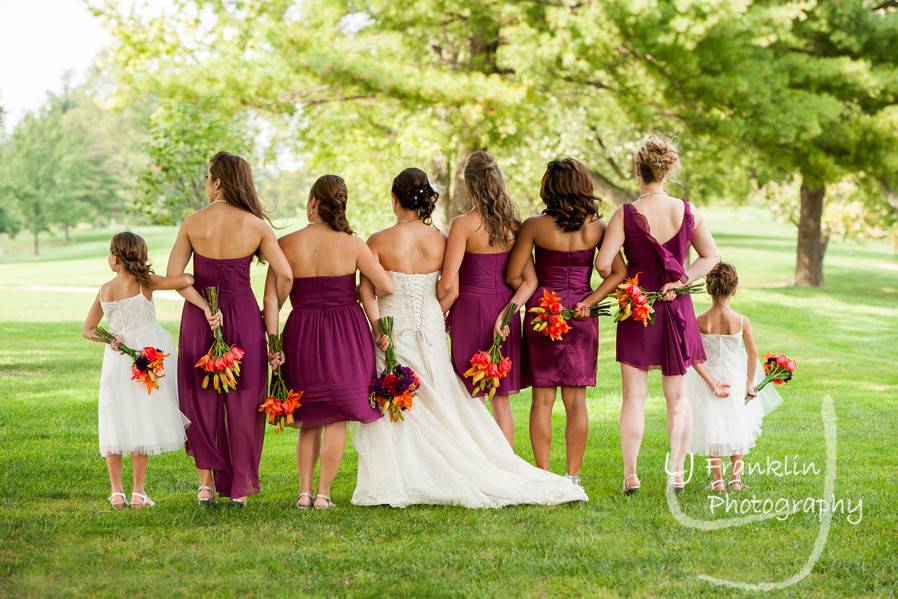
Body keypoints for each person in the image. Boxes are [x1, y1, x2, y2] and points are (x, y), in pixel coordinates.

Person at [352, 167, 587, 508]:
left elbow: (369, 289)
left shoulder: (378, 240)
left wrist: (379, 325)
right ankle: (495, 462)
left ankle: (405, 473)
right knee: (448, 396)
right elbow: (449, 288)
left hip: (396, 325)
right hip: (435, 322)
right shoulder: (442, 238)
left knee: (406, 395)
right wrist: (437, 312)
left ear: (394, 199)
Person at [595, 135, 719, 495]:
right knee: (677, 397)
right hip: (676, 307)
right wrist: (682, 279)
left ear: (637, 170)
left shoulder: (624, 214)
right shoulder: (687, 210)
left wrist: (626, 281)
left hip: (639, 309)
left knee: (633, 396)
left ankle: (631, 475)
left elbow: (604, 263)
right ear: (670, 170)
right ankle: (676, 472)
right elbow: (711, 257)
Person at [167, 151, 293, 506]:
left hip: (199, 317)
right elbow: (285, 274)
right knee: (245, 397)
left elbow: (178, 279)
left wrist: (205, 305)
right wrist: (274, 308)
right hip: (243, 314)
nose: (206, 184)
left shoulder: (192, 223)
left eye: (208, 177)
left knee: (200, 394)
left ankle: (206, 483)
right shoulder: (256, 226)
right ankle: (239, 486)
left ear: (218, 182)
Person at [264, 175, 394, 509]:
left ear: (312, 203)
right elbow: (385, 285)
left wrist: (274, 344)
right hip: (346, 333)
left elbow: (271, 302)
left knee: (310, 414)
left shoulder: (286, 243)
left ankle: (303, 493)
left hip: (302, 331)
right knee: (336, 416)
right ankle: (323, 494)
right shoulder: (352, 243)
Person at [507, 158, 627, 486]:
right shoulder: (596, 229)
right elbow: (619, 273)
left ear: (550, 187)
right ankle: (572, 477)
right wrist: (589, 301)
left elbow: (513, 274)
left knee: (542, 400)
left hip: (543, 315)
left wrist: (536, 278)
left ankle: (543, 475)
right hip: (582, 317)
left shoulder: (533, 226)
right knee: (576, 401)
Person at [82, 232, 205, 508]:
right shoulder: (145, 283)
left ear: (114, 258)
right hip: (148, 360)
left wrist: (110, 341)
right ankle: (138, 491)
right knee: (140, 419)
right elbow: (186, 280)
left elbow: (87, 330)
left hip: (116, 362)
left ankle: (116, 492)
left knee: (115, 417)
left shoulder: (105, 290)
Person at [439, 151, 533, 446]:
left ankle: (483, 466)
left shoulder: (462, 225)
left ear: (468, 186)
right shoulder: (514, 225)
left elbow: (448, 281)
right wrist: (507, 314)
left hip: (468, 311)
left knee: (472, 395)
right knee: (501, 398)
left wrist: (434, 306)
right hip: (503, 312)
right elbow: (530, 281)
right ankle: (505, 465)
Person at [687, 262, 782, 491]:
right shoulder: (741, 321)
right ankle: (736, 480)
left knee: (712, 423)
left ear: (708, 289)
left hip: (709, 378)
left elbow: (693, 357)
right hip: (735, 376)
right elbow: (752, 354)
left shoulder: (699, 321)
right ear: (735, 290)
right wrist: (749, 383)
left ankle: (718, 481)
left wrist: (710, 382)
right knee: (738, 421)